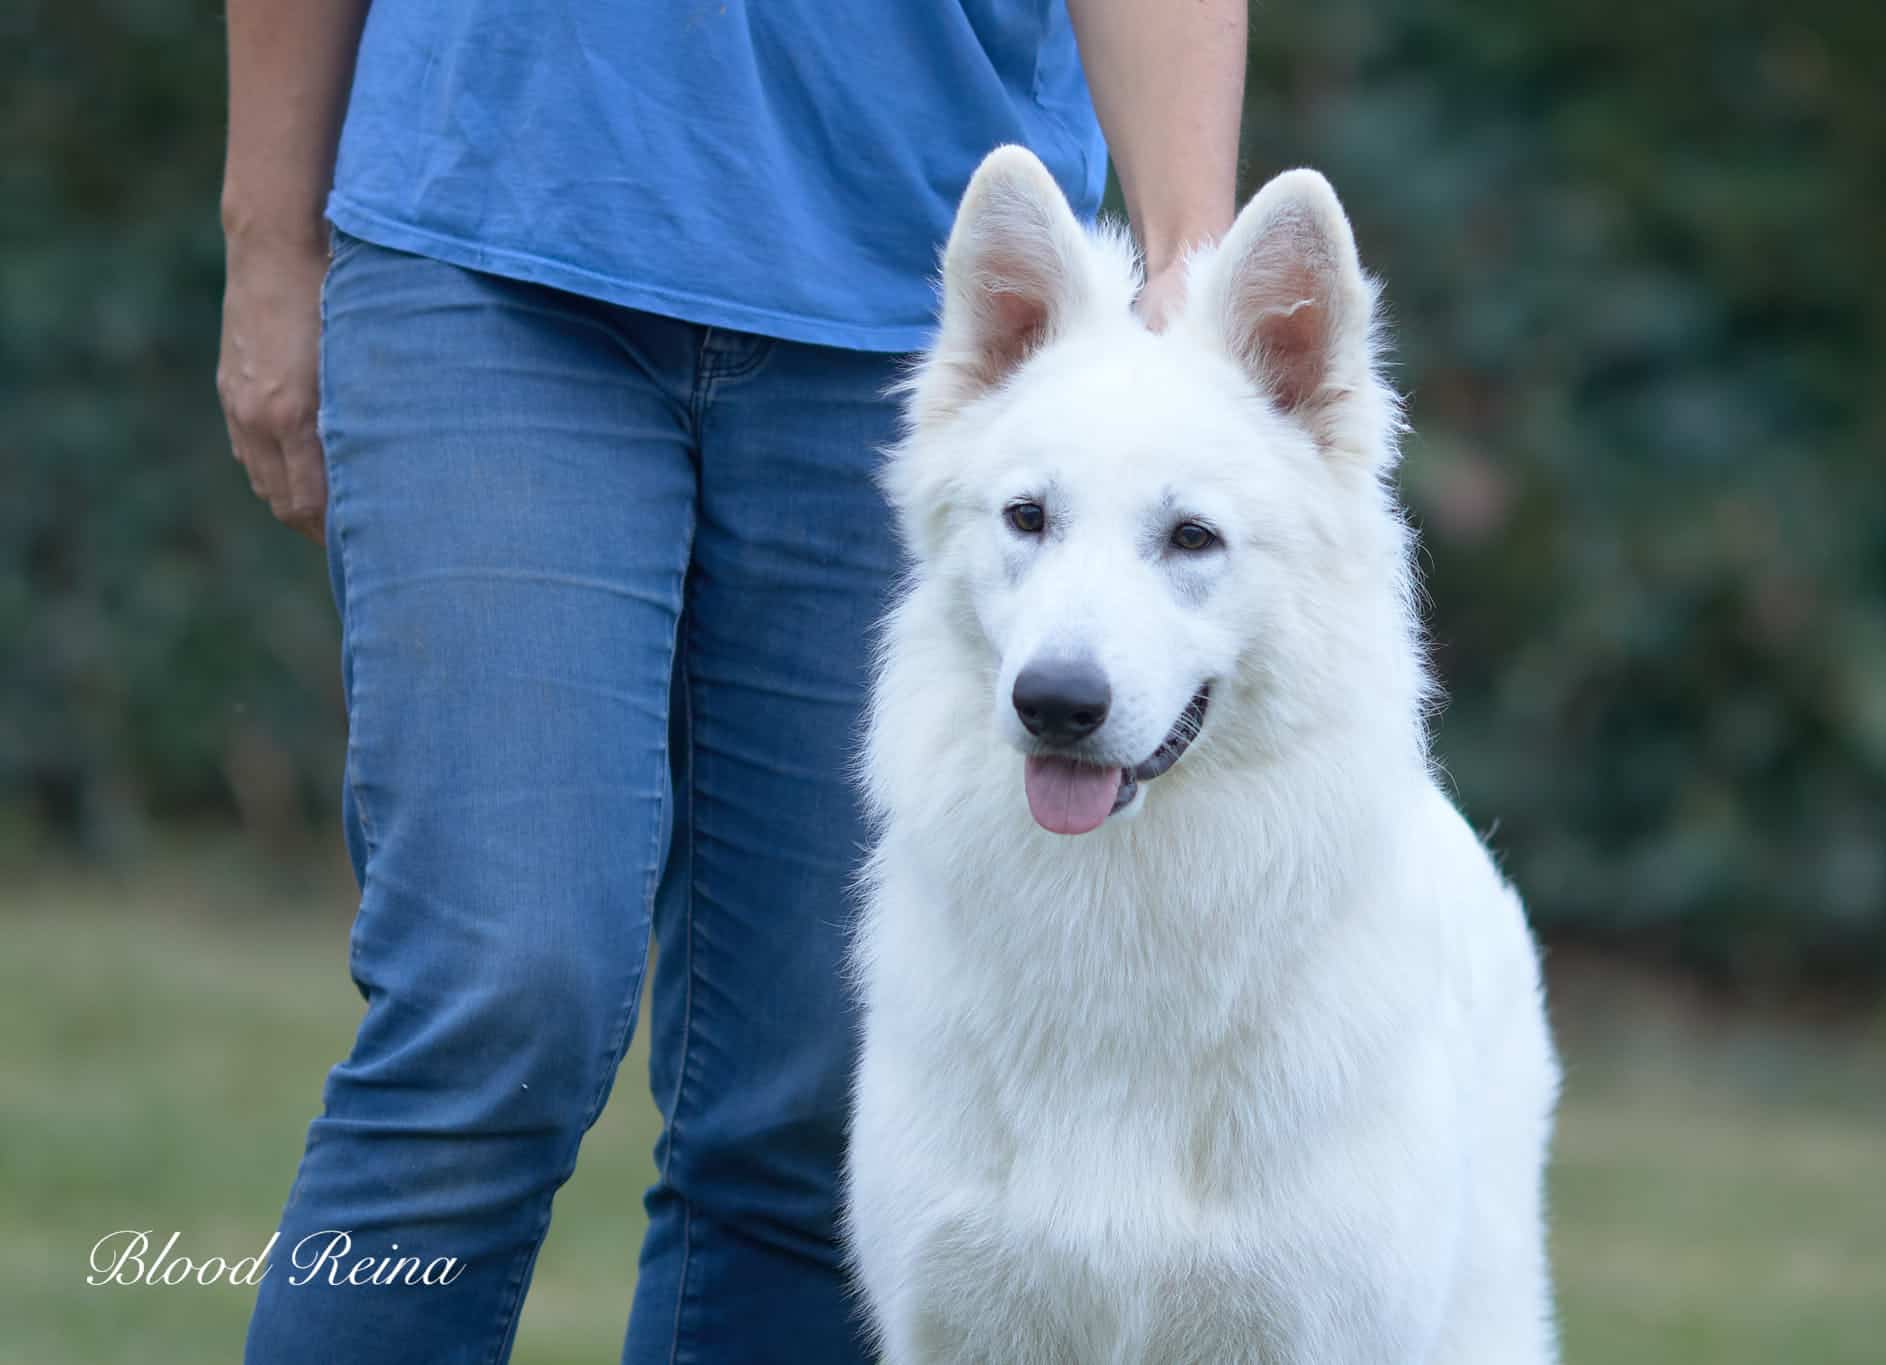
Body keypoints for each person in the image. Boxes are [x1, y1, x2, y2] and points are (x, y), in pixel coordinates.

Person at [215, 2, 1245, 1360]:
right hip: (492, 240)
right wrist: (269, 237)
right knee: (498, 999)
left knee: (812, 1100)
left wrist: (1193, 263)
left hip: (930, 310)